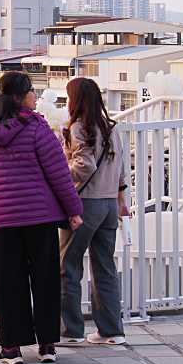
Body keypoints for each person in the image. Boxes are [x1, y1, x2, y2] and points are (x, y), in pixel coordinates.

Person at [0, 71, 83, 364]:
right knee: (45, 280)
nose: (35, 97)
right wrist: (73, 210)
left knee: (9, 283)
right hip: (40, 217)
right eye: (31, 91)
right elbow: (59, 173)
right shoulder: (36, 127)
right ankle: (47, 345)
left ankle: (11, 348)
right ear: (19, 96)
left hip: (5, 220)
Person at [60, 76, 130, 346]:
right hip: (109, 203)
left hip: (85, 203)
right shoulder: (112, 128)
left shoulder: (78, 127)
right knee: (105, 267)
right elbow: (122, 169)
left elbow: (84, 165)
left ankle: (71, 331)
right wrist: (121, 200)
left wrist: (61, 175)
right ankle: (112, 330)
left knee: (68, 267)